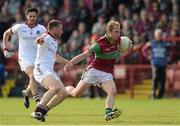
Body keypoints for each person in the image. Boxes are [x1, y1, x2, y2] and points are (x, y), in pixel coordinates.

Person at [64, 20, 132, 121]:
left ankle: (108, 112)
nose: (119, 34)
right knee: (75, 93)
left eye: (119, 31)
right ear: (109, 32)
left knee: (112, 91)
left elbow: (126, 47)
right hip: (94, 71)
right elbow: (85, 55)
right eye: (116, 32)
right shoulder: (100, 44)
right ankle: (64, 89)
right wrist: (71, 63)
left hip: (106, 73)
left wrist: (128, 47)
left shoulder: (120, 40)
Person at [2, 7, 47, 108]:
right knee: (32, 75)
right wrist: (5, 49)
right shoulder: (19, 27)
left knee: (34, 78)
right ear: (26, 16)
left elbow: (46, 41)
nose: (32, 18)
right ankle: (38, 102)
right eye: (30, 16)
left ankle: (26, 93)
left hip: (37, 58)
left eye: (34, 16)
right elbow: (6, 33)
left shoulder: (42, 29)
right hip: (24, 58)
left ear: (37, 17)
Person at [32, 20, 72, 122]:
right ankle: (37, 110)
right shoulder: (47, 36)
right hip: (41, 68)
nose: (62, 31)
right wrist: (39, 40)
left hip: (48, 70)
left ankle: (42, 112)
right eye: (60, 28)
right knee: (54, 88)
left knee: (63, 93)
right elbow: (39, 39)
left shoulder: (54, 41)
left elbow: (54, 56)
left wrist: (66, 62)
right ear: (54, 29)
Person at [142, 28, 171, 99]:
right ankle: (153, 93)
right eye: (158, 35)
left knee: (163, 79)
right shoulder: (152, 43)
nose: (159, 36)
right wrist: (148, 56)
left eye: (160, 34)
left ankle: (160, 95)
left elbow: (171, 50)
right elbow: (144, 49)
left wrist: (169, 56)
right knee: (155, 78)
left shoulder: (166, 43)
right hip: (155, 63)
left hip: (163, 64)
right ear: (155, 35)